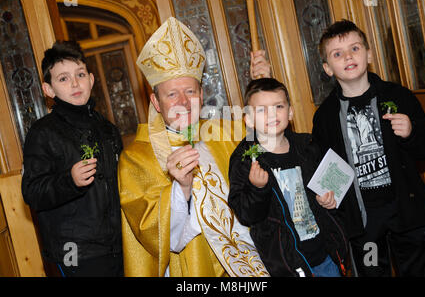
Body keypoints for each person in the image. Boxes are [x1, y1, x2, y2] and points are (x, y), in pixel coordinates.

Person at [118, 17, 270, 277]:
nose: (184, 103)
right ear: (156, 101)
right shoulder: (135, 158)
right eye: (171, 94)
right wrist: (182, 188)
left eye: (190, 92)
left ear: (201, 94)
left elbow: (271, 145)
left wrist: (266, 86)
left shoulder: (224, 132)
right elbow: (158, 238)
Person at [312, 19, 425, 276]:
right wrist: (325, 195)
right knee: (371, 272)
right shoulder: (325, 117)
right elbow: (321, 164)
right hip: (363, 221)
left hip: (406, 212)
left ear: (369, 54)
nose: (348, 56)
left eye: (355, 48)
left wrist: (412, 132)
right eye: (338, 54)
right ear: (328, 68)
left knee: (420, 271)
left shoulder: (398, 96)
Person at [21, 41, 123, 277]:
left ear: (92, 79)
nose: (75, 83)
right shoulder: (42, 133)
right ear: (49, 90)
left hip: (116, 246)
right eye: (63, 78)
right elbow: (32, 192)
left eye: (80, 74)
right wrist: (70, 181)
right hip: (75, 252)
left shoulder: (108, 129)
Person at [228, 78, 348, 277]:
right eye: (261, 110)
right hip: (285, 261)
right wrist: (258, 189)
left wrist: (328, 199)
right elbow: (246, 214)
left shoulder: (308, 145)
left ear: (290, 112)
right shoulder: (245, 159)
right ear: (248, 119)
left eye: (278, 106)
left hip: (324, 253)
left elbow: (329, 190)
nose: (272, 114)